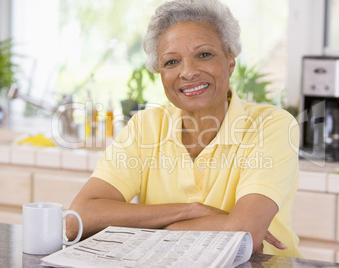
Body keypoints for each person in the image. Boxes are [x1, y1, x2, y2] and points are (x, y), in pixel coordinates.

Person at [67, 0, 303, 258]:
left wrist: (151, 227)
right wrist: (191, 210)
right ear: (160, 73)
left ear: (230, 62)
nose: (188, 72)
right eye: (171, 62)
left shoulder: (271, 125)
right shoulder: (144, 127)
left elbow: (244, 233)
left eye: (204, 54)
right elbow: (77, 219)